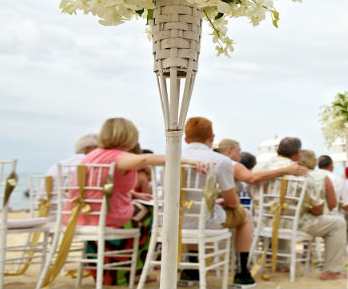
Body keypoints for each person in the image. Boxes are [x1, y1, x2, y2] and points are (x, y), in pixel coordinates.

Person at [71, 118, 207, 286]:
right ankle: (135, 270)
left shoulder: (92, 156)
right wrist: (185, 161)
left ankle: (119, 268)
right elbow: (144, 160)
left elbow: (98, 187)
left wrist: (134, 194)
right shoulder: (117, 156)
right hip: (109, 218)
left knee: (143, 212)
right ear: (129, 136)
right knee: (151, 216)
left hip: (84, 216)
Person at [252, 137, 347, 280]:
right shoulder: (301, 173)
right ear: (297, 154)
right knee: (338, 224)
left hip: (264, 221)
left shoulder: (258, 168)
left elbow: (250, 191)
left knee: (283, 215)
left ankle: (281, 263)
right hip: (293, 224)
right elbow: (317, 209)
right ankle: (331, 271)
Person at [179, 118, 256, 288]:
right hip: (205, 221)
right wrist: (220, 201)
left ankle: (190, 271)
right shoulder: (221, 161)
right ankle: (242, 272)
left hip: (174, 220)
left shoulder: (171, 156)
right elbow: (233, 202)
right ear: (211, 137)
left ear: (186, 139)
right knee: (246, 216)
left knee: (196, 213)